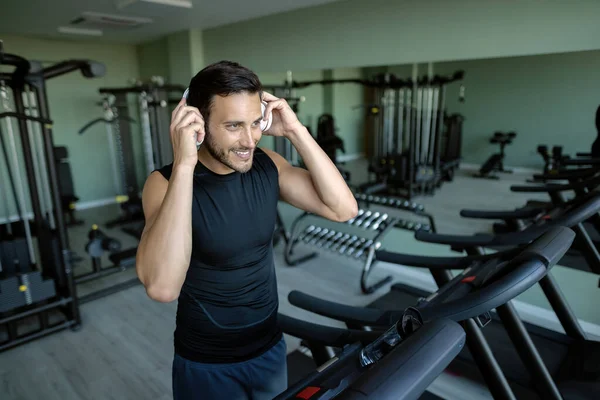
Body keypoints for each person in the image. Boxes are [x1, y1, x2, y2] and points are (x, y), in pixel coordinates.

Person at [134, 60, 358, 400]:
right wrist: (184, 163)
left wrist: (296, 130)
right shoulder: (164, 183)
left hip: (269, 347)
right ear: (198, 122)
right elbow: (163, 287)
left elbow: (344, 209)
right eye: (234, 125)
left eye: (255, 123)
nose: (249, 140)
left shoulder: (268, 165)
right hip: (208, 363)